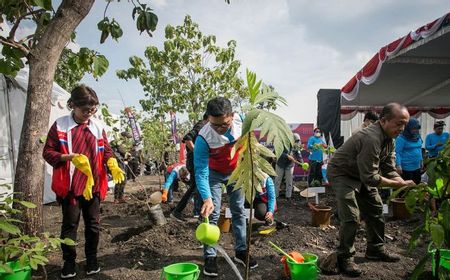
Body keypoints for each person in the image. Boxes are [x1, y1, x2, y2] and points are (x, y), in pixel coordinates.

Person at [43, 85, 125, 279]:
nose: (89, 114)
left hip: (93, 185)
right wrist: (68, 157)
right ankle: (69, 263)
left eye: (93, 109)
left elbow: (106, 150)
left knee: (93, 225)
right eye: (85, 110)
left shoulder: (97, 127)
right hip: (71, 185)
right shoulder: (61, 126)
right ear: (73, 105)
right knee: (70, 225)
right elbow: (47, 152)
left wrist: (112, 162)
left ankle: (91, 260)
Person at [327, 103, 416, 277]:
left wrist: (403, 183)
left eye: (404, 124)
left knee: (375, 209)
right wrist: (399, 185)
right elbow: (370, 178)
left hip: (361, 174)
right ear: (383, 121)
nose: (402, 128)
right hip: (342, 173)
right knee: (352, 217)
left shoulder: (390, 139)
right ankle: (345, 257)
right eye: (399, 123)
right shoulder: (371, 138)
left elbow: (388, 168)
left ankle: (375, 249)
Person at [195, 97, 258, 277]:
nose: (220, 129)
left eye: (225, 124)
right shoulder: (203, 138)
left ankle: (241, 252)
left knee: (238, 210)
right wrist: (207, 198)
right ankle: (210, 256)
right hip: (214, 175)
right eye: (215, 125)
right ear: (208, 119)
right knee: (212, 214)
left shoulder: (242, 121)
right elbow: (201, 172)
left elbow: (250, 144)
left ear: (232, 115)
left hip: (236, 172)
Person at [171, 114, 208, 221]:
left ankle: (198, 213)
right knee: (196, 187)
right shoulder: (202, 125)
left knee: (196, 188)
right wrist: (198, 153)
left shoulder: (203, 126)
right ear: (209, 117)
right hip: (195, 162)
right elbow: (187, 139)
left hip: (194, 162)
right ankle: (179, 211)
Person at [274, 133, 303, 203]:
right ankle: (275, 197)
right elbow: (279, 152)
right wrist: (287, 156)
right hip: (280, 164)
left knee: (289, 182)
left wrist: (302, 163)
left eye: (297, 141)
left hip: (289, 166)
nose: (296, 143)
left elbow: (298, 155)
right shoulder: (283, 143)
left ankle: (288, 196)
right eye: (295, 141)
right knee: (277, 181)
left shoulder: (297, 145)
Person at [395, 118, 423, 185]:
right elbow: (398, 152)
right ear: (408, 128)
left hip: (417, 166)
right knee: (407, 187)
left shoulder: (418, 137)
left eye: (417, 128)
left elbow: (419, 149)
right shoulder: (401, 138)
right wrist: (398, 165)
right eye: (413, 128)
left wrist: (421, 160)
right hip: (406, 168)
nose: (415, 130)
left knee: (417, 184)